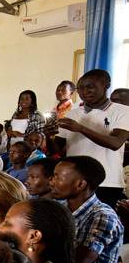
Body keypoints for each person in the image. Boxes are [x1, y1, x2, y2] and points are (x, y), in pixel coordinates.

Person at [49, 69, 129, 208]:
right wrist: (48, 137)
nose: (84, 91)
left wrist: (81, 128)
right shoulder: (72, 114)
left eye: (90, 86)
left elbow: (115, 143)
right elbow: (58, 150)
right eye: (80, 88)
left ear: (106, 85)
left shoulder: (122, 111)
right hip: (74, 181)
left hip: (107, 181)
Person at [50, 155, 123, 263]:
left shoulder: (102, 216)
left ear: (81, 184)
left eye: (57, 177)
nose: (51, 181)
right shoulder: (60, 207)